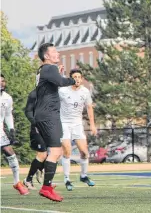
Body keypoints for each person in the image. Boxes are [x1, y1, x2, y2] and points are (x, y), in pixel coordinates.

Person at [34, 43, 76, 202]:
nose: (58, 53)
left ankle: (46, 181)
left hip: (43, 114)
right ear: (46, 56)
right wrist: (72, 80)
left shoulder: (42, 69)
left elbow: (54, 82)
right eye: (54, 51)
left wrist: (60, 76)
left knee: (49, 152)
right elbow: (61, 82)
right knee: (56, 152)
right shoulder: (49, 68)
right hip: (48, 115)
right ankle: (46, 187)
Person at [60, 69, 97, 191]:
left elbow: (89, 108)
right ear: (71, 78)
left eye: (79, 77)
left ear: (82, 79)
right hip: (64, 124)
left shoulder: (85, 92)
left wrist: (92, 125)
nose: (77, 79)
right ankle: (67, 179)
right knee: (67, 150)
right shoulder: (63, 91)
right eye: (74, 76)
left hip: (77, 125)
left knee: (85, 153)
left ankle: (84, 176)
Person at [0, 74, 29, 195]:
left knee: (10, 153)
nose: (2, 83)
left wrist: (11, 129)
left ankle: (17, 182)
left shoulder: (7, 98)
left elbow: (7, 115)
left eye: (3, 81)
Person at [22, 89, 47, 190]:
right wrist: (35, 122)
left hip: (50, 127)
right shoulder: (34, 94)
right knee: (42, 154)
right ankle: (28, 179)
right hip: (37, 128)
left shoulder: (53, 92)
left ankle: (40, 168)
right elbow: (28, 111)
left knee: (54, 152)